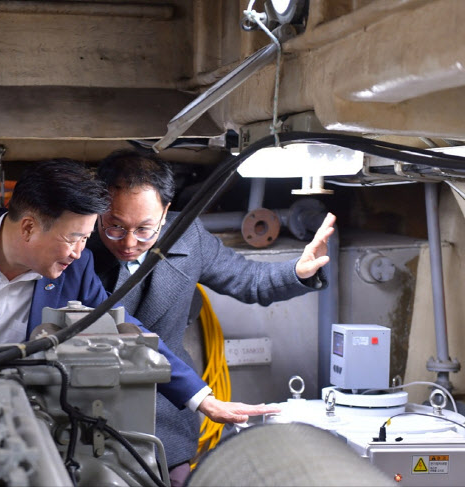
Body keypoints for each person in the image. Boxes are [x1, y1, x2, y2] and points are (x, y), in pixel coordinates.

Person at [0, 158, 279, 419]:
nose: (82, 253)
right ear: (28, 226)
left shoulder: (73, 273)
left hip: (8, 415)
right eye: (73, 238)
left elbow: (124, 328)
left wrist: (201, 398)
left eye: (86, 238)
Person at [87, 149, 336, 485]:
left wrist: (298, 272)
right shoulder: (75, 246)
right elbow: (118, 327)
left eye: (145, 229)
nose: (130, 242)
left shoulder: (189, 236)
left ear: (165, 213)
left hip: (167, 414)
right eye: (115, 227)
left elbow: (248, 281)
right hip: (91, 410)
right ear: (99, 211)